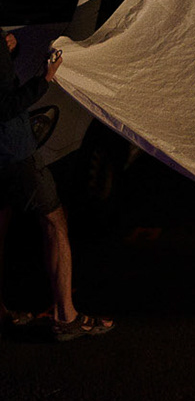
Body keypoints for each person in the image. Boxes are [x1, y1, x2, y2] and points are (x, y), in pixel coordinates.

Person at [0, 22, 112, 340]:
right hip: (14, 149)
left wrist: (11, 51)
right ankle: (66, 315)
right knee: (55, 222)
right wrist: (45, 78)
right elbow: (5, 106)